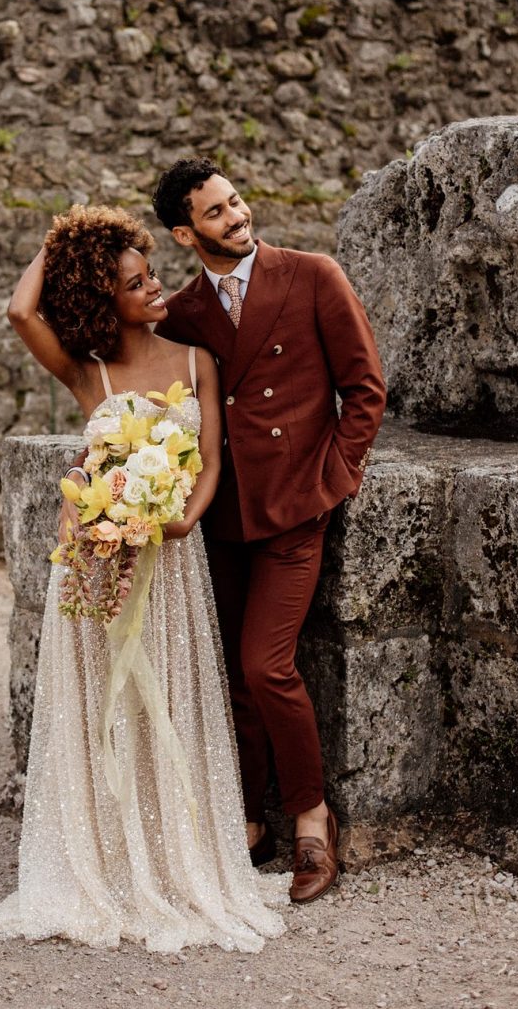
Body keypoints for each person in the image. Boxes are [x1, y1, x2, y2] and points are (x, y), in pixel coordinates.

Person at [0, 203, 286, 953]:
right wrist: (68, 239)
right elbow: (20, 309)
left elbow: (207, 460)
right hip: (97, 565)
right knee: (101, 712)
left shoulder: (195, 357)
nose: (155, 290)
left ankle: (176, 855)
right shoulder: (90, 370)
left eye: (151, 275)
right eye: (136, 282)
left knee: (167, 701)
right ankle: (106, 859)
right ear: (102, 299)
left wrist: (183, 521)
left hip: (170, 561)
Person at [152, 158, 387, 905]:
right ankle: (249, 821)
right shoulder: (185, 312)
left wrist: (334, 475)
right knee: (231, 675)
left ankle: (312, 817)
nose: (238, 216)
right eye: (217, 213)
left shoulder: (312, 274)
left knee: (265, 665)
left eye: (238, 201)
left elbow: (365, 386)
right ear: (186, 233)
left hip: (294, 508)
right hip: (222, 517)